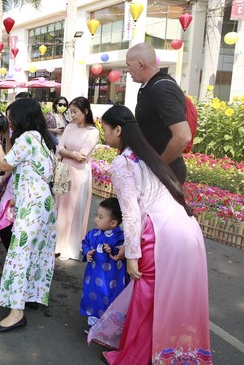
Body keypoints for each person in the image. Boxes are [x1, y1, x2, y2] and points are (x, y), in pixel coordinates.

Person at [88, 105, 211, 365]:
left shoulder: (123, 162)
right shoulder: (148, 156)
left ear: (118, 130)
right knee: (173, 299)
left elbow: (132, 213)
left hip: (161, 235)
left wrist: (132, 255)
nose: (104, 135)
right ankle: (173, 355)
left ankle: (134, 358)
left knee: (146, 297)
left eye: (106, 130)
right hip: (187, 230)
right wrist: (129, 248)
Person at [0, 98, 57, 332]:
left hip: (32, 205)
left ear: (22, 117)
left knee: (19, 254)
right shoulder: (41, 138)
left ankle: (16, 313)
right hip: (43, 202)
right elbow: (15, 162)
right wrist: (6, 137)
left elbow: (4, 163)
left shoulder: (27, 138)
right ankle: (31, 295)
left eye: (11, 118)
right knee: (37, 252)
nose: (9, 121)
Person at [126, 43, 191, 184]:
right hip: (155, 167)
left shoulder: (161, 88)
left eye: (129, 65)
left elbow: (183, 136)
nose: (127, 70)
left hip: (166, 172)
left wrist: (159, 165)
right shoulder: (149, 86)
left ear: (140, 65)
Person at [55, 97, 100, 261]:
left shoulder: (92, 132)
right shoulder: (69, 127)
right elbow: (59, 147)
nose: (72, 115)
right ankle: (57, 244)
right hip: (64, 171)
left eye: (75, 112)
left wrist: (68, 153)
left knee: (75, 208)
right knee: (61, 207)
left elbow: (82, 156)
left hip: (79, 173)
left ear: (85, 111)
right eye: (70, 112)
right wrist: (71, 154)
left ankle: (71, 247)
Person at [80, 197, 126, 332]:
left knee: (110, 296)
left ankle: (109, 325)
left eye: (100, 217)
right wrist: (87, 252)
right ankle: (93, 322)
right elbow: (85, 243)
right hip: (94, 275)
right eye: (97, 216)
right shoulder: (92, 233)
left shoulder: (120, 236)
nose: (96, 220)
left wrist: (111, 249)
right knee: (93, 295)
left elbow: (121, 249)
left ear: (113, 223)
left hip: (112, 277)